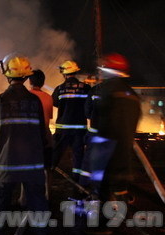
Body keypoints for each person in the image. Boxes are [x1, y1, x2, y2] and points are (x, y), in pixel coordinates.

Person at [0, 53, 49, 235]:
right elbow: (41, 130)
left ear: (8, 75)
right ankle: (41, 231)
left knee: (1, 198)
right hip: (32, 161)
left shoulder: (0, 101)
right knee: (37, 197)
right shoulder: (34, 101)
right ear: (26, 76)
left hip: (7, 161)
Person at [89, 53, 141, 202]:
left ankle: (103, 220)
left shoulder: (105, 91)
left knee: (103, 197)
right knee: (120, 194)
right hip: (124, 158)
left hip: (106, 157)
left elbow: (100, 122)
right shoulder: (132, 94)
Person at [51, 61, 90, 182]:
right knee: (78, 156)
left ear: (64, 73)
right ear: (76, 72)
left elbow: (55, 103)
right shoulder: (86, 88)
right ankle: (77, 180)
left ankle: (48, 174)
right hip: (79, 129)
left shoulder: (59, 89)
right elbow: (89, 106)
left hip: (63, 129)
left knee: (55, 154)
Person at [18, 69, 53, 204]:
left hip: (28, 138)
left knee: (25, 167)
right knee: (47, 169)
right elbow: (48, 118)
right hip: (46, 136)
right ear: (43, 82)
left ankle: (23, 198)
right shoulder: (48, 97)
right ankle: (47, 196)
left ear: (29, 81)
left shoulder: (25, 97)